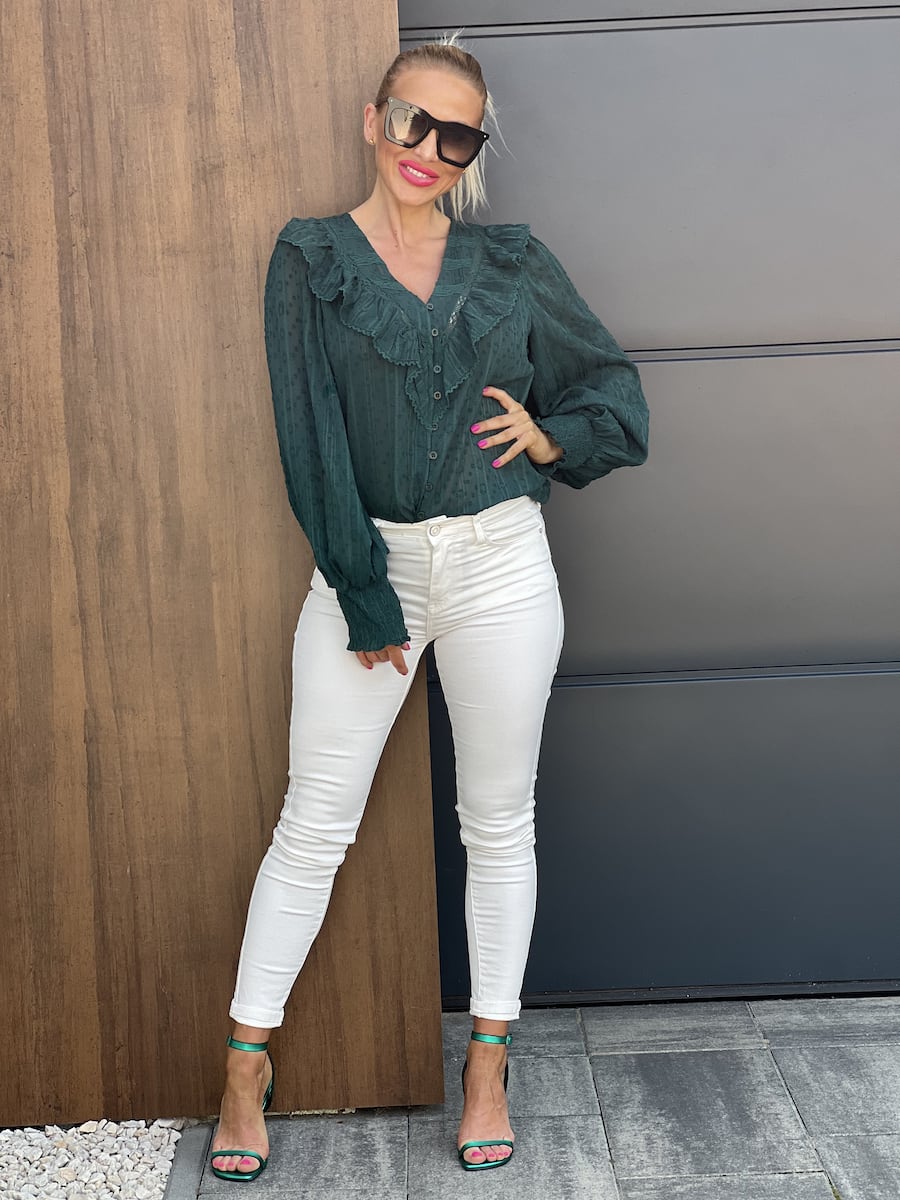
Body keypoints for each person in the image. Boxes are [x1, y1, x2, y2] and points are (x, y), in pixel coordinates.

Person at [210, 34, 649, 1183]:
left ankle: (489, 1063)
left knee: (498, 822)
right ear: (375, 120)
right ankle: (245, 1067)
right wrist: (364, 594)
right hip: (377, 566)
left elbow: (612, 389)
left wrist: (553, 436)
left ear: (472, 151)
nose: (430, 150)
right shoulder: (310, 258)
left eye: (459, 136)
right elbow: (307, 436)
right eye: (414, 121)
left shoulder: (511, 261)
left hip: (504, 565)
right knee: (313, 824)